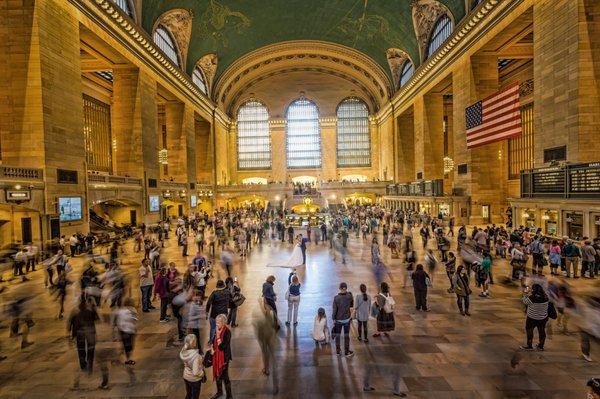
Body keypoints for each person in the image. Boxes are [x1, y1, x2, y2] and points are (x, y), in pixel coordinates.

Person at [68, 296, 99, 387]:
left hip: (79, 333)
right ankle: (89, 366)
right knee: (91, 350)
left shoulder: (74, 311)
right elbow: (96, 320)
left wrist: (69, 335)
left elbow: (70, 323)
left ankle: (83, 365)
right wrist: (94, 306)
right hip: (89, 332)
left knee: (81, 350)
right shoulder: (90, 310)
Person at [520, 283, 550, 351]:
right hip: (542, 318)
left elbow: (524, 301)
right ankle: (541, 346)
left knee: (529, 330)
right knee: (542, 331)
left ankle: (529, 345)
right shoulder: (546, 297)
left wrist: (525, 293)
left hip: (532, 318)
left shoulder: (532, 298)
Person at [211, 314, 232, 399]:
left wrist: (219, 337)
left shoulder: (227, 332)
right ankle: (219, 392)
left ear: (223, 322)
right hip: (216, 356)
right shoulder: (217, 329)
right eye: (216, 322)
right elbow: (213, 341)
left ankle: (229, 396)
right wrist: (212, 348)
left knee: (225, 376)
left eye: (218, 322)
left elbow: (222, 347)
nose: (216, 324)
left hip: (224, 358)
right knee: (217, 374)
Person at [112, 298, 138, 365]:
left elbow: (116, 321)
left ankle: (120, 358)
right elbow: (134, 320)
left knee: (125, 345)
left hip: (122, 330)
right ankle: (127, 359)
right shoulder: (133, 310)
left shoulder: (120, 310)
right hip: (130, 330)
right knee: (129, 346)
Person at [332, 282, 354, 357]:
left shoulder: (336, 298)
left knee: (338, 335)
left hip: (338, 319)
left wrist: (333, 318)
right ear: (346, 288)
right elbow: (351, 304)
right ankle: (347, 352)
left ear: (339, 288)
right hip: (347, 319)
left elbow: (334, 310)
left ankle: (338, 351)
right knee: (346, 336)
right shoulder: (349, 296)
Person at [180, 334, 204, 399]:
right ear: (194, 343)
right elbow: (196, 372)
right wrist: (202, 373)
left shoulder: (183, 352)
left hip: (186, 376)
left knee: (189, 394)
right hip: (194, 379)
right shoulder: (196, 356)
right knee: (195, 397)